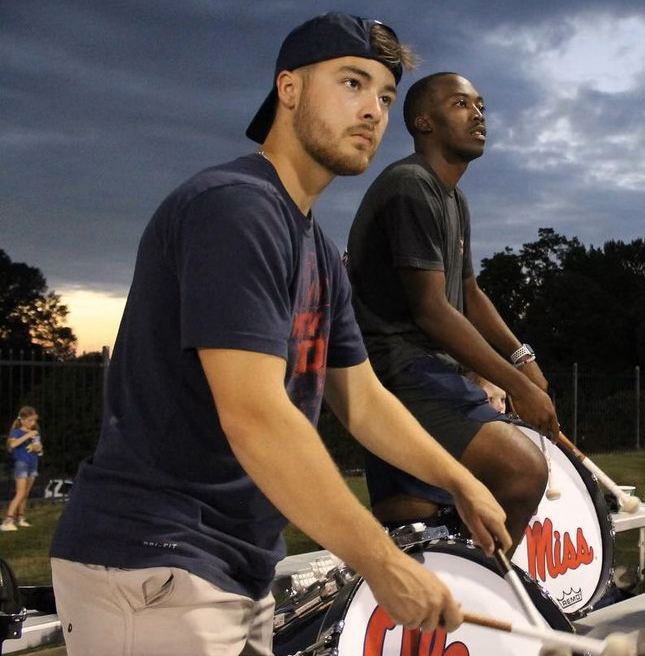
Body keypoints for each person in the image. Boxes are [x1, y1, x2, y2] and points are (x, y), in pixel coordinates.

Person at [49, 14, 509, 655]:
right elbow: (257, 416)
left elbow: (365, 400)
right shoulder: (235, 208)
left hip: (233, 565)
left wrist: (460, 481)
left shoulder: (314, 247)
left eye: (382, 95)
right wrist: (380, 559)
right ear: (288, 89)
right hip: (152, 557)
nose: (373, 111)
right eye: (352, 83)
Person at [347, 72, 554, 548]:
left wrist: (522, 356)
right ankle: (480, 587)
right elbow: (432, 311)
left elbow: (469, 293)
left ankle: (453, 585)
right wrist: (516, 385)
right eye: (461, 104)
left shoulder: (452, 197)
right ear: (424, 122)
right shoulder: (410, 185)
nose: (478, 113)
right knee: (523, 472)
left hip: (423, 366)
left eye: (481, 104)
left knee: (416, 511)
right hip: (399, 365)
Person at [2, 406, 42, 531]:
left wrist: (37, 447)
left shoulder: (35, 433)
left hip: (33, 464)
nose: (32, 423)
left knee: (25, 494)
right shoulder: (16, 432)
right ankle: (7, 521)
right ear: (23, 420)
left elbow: (39, 449)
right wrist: (27, 435)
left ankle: (21, 518)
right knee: (20, 493)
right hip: (22, 464)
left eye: (34, 421)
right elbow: (12, 444)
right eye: (30, 420)